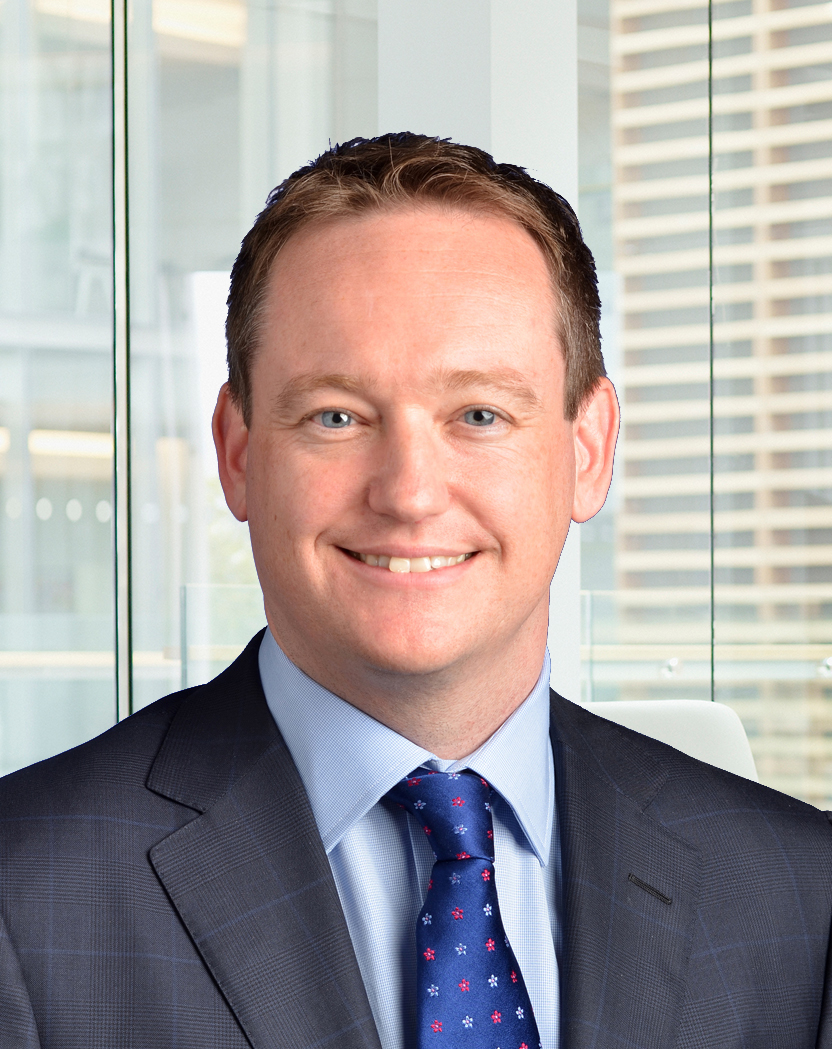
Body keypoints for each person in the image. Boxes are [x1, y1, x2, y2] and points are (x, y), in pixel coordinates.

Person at [1, 133, 831, 1049]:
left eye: (479, 414)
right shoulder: (25, 895)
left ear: (588, 450)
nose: (408, 492)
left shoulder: (799, 894)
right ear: (238, 453)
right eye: (336, 416)